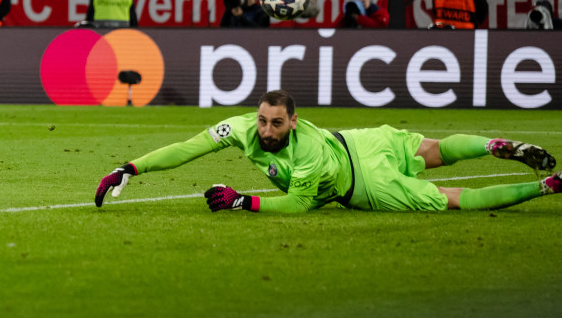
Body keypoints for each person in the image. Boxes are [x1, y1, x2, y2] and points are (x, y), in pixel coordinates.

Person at [95, 89, 562, 213]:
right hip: (363, 138)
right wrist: (130, 167)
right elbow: (187, 148)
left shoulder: (307, 152)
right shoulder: (239, 128)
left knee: (453, 197)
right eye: (262, 120)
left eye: (276, 123)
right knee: (438, 149)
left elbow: (301, 202)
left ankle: (543, 187)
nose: (266, 130)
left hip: (365, 184)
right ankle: (494, 145)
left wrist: (244, 201)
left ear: (293, 123)